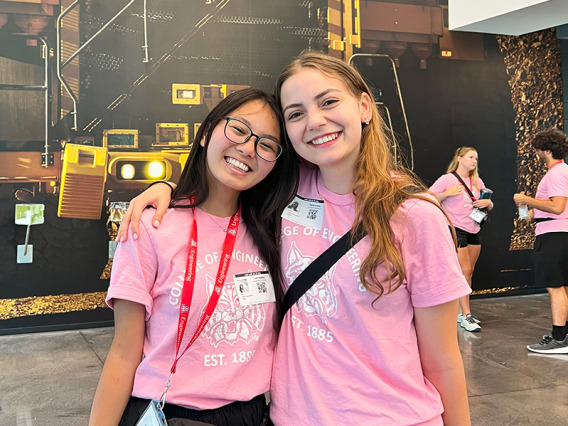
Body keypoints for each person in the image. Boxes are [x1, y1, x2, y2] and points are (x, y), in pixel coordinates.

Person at [118, 51, 472, 425]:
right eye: (296, 114)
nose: (315, 121)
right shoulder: (284, 195)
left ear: (365, 106)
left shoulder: (414, 217)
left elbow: (444, 363)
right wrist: (168, 190)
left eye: (329, 102)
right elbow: (226, 184)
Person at [89, 88, 298, 426]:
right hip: (167, 413)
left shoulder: (276, 233)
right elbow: (124, 353)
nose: (247, 149)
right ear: (207, 132)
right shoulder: (151, 225)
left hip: (251, 414)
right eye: (238, 129)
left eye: (266, 144)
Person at [513, 129, 568, 354]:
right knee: (562, 287)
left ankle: (558, 339)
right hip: (558, 233)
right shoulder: (561, 171)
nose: (535, 153)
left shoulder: (556, 173)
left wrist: (528, 200)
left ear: (547, 150)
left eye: (537, 149)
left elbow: (557, 207)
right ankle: (562, 335)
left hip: (554, 234)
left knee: (555, 287)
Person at [429, 147, 494, 332]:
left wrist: (488, 203)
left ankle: (460, 313)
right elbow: (426, 196)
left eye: (476, 157)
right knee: (464, 271)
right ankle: (466, 315)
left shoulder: (477, 181)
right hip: (455, 229)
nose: (474, 161)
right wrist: (444, 195)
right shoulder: (448, 179)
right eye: (471, 157)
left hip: (474, 227)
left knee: (469, 271)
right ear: (459, 159)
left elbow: (488, 204)